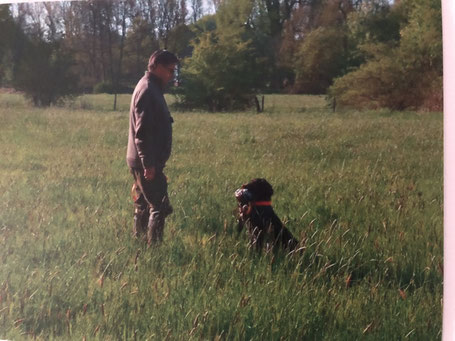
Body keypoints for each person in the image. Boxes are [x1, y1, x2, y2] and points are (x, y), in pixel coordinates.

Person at [126, 50, 179, 246]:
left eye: (174, 71)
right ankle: (154, 250)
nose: (171, 75)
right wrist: (148, 164)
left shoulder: (150, 86)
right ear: (156, 67)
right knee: (159, 205)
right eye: (169, 70)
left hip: (143, 160)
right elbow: (143, 132)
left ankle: (138, 242)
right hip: (146, 162)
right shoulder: (148, 90)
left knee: (143, 203)